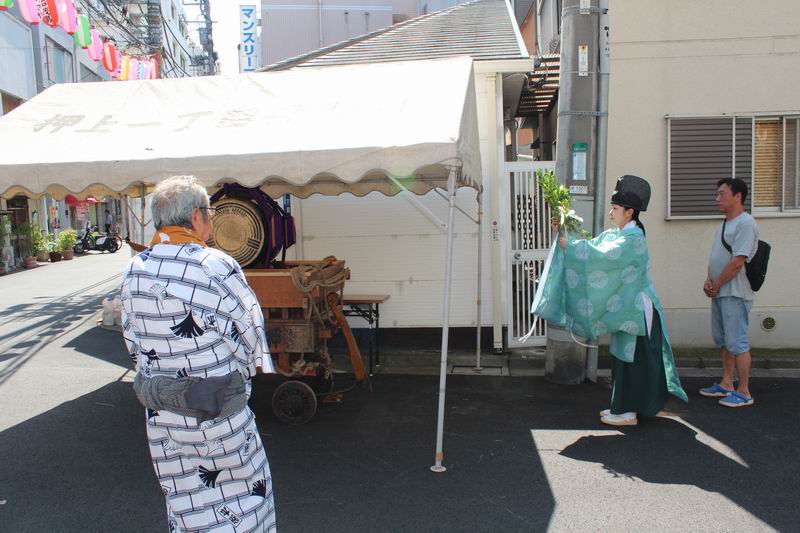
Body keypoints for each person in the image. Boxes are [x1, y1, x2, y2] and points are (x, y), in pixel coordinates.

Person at [120, 176, 277, 532]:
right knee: (244, 494)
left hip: (163, 412)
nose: (211, 218)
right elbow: (249, 331)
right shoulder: (215, 264)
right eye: (210, 211)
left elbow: (133, 341)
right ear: (195, 217)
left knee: (184, 500)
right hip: (217, 409)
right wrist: (241, 370)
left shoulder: (134, 269)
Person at [533, 175, 687, 426]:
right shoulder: (620, 234)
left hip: (639, 312)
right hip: (628, 310)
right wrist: (565, 231)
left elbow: (601, 256)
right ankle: (622, 406)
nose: (611, 213)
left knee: (633, 361)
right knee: (624, 358)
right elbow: (593, 245)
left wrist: (570, 246)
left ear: (630, 212)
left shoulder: (633, 239)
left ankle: (628, 412)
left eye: (615, 208)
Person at [700, 178, 758, 407]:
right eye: (717, 194)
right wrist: (709, 280)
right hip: (721, 291)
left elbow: (737, 262)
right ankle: (726, 383)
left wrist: (717, 284)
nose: (717, 198)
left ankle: (744, 391)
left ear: (738, 196)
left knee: (737, 342)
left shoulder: (746, 223)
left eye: (722, 194)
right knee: (724, 341)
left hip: (735, 292)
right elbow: (716, 256)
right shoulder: (724, 224)